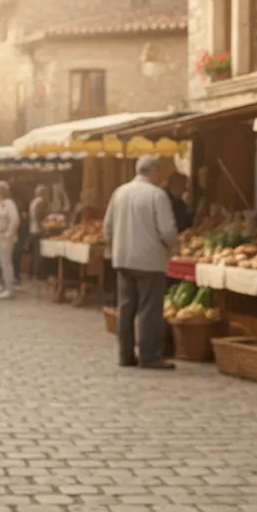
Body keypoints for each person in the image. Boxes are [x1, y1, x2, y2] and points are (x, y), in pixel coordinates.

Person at [105, 154, 179, 370]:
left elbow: (107, 226)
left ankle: (124, 354)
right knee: (149, 308)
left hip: (123, 258)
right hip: (149, 259)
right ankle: (149, 355)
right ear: (154, 171)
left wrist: (114, 248)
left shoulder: (120, 192)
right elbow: (167, 230)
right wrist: (173, 247)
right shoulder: (157, 195)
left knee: (126, 307)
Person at [0, 180, 20, 298]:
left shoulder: (9, 204)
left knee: (6, 263)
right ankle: (6, 285)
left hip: (5, 238)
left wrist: (8, 233)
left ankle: (9, 289)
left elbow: (15, 219)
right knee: (2, 262)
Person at [28, 185, 51, 280]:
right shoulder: (40, 202)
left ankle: (33, 273)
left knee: (35, 253)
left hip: (33, 230)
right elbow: (39, 216)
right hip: (38, 230)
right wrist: (44, 228)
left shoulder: (33, 202)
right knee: (39, 253)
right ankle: (38, 274)